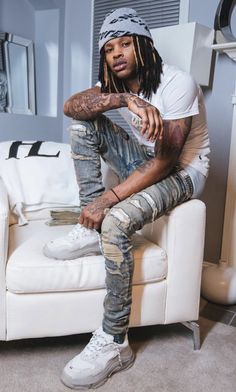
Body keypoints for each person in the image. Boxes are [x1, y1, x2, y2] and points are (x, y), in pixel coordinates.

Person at [44, 7, 210, 390]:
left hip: (185, 172)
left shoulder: (176, 83)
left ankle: (115, 341)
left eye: (124, 44)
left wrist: (108, 201)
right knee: (81, 127)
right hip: (148, 160)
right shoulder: (121, 87)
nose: (115, 53)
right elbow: (72, 106)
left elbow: (167, 161)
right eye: (108, 48)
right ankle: (90, 231)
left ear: (143, 46)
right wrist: (122, 101)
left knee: (116, 220)